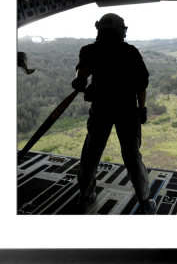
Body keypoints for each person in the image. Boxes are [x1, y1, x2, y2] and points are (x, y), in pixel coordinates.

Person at [71, 13, 156, 214]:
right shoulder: (130, 52)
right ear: (121, 30)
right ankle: (144, 201)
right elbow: (141, 86)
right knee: (132, 156)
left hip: (100, 109)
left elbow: (82, 73)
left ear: (99, 29)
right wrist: (141, 109)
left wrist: (81, 80)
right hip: (127, 110)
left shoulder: (90, 50)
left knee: (91, 153)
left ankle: (85, 195)